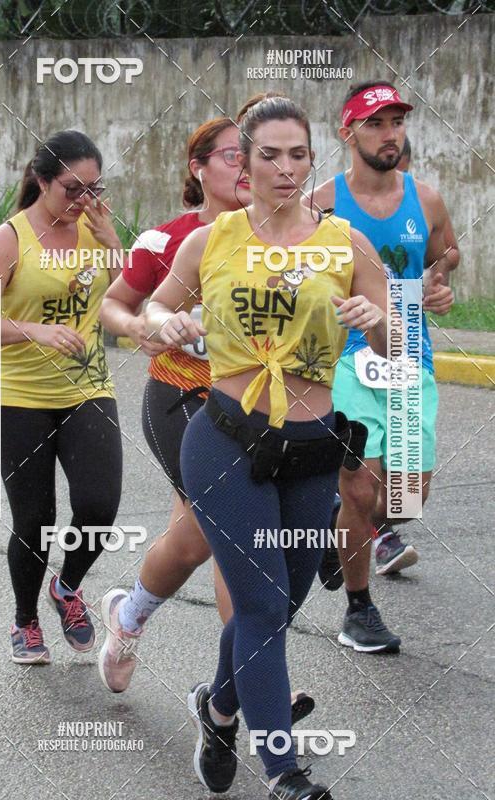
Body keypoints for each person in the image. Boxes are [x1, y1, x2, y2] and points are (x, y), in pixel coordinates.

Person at [146, 96, 391, 800]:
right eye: (269, 154)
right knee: (257, 606)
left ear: (313, 160)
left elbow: (399, 348)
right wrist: (170, 322)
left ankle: (218, 710)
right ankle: (283, 768)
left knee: (279, 606)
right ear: (244, 165)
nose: (285, 168)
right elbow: (158, 304)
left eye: (298, 154)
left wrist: (378, 321)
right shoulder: (213, 239)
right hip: (224, 439)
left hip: (313, 445)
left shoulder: (346, 244)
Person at [97, 109, 315, 722]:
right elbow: (116, 307)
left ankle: (129, 614)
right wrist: (150, 324)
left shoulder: (299, 234)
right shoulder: (172, 240)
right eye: (236, 156)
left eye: (283, 157)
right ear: (206, 168)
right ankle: (256, 685)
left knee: (192, 542)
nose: (262, 168)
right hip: (182, 400)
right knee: (232, 545)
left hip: (261, 409)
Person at [0, 130, 124, 664]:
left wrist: (114, 243)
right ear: (42, 181)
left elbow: (122, 295)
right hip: (17, 394)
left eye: (94, 189)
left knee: (99, 505)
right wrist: (35, 330)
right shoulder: (11, 238)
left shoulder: (97, 230)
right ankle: (25, 620)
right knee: (35, 518)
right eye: (73, 189)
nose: (84, 201)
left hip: (87, 386)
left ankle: (67, 587)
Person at [312, 82, 458, 653]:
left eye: (396, 122)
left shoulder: (426, 199)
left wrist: (438, 287)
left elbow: (443, 255)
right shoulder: (321, 203)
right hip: (345, 361)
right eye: (376, 123)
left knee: (407, 498)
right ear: (347, 133)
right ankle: (358, 609)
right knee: (362, 486)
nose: (390, 133)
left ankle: (336, 525)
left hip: (406, 357)